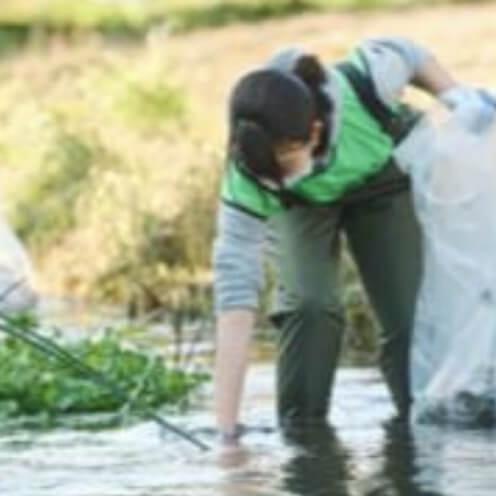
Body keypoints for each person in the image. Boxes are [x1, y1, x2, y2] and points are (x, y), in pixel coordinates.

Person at [212, 36, 495, 444]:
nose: (274, 172)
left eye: (285, 161)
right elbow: (235, 301)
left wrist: (453, 94)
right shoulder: (254, 173)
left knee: (407, 315)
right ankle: (304, 440)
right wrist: (226, 433)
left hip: (382, 182)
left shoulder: (369, 84)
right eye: (264, 171)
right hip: (299, 204)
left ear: (314, 131)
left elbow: (408, 53)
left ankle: (420, 434)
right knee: (310, 305)